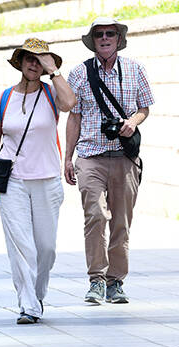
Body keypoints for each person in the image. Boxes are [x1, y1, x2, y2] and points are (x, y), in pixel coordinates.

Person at [0, 38, 76, 324]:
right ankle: (28, 304)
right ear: (20, 62)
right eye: (29, 58)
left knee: (46, 248)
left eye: (39, 60)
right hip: (13, 181)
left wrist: (53, 71)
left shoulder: (53, 93)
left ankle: (38, 293)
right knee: (20, 245)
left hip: (47, 181)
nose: (34, 63)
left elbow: (70, 103)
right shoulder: (3, 98)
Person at [65, 18, 154, 304]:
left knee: (121, 222)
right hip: (90, 155)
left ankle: (116, 282)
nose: (104, 38)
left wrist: (132, 121)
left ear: (118, 38)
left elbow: (144, 108)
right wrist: (67, 157)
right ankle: (96, 280)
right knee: (94, 215)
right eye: (99, 34)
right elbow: (74, 117)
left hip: (125, 157)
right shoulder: (79, 73)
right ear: (93, 40)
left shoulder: (134, 69)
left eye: (110, 34)